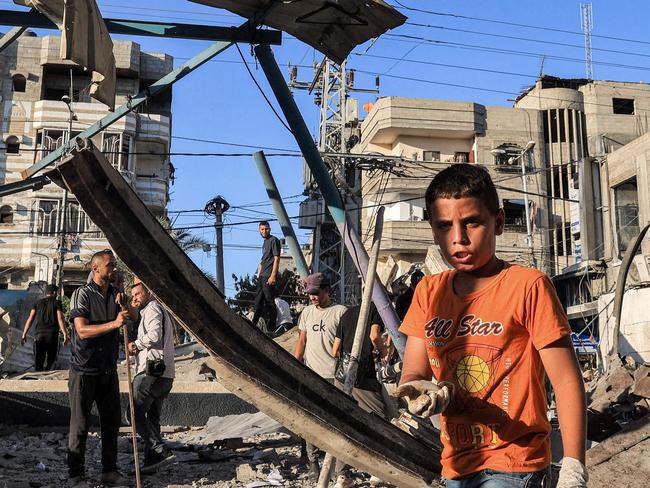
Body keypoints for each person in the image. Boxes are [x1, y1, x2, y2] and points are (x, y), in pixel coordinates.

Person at [396, 164, 587, 488]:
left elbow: (567, 380)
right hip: (455, 465)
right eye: (445, 226)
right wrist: (425, 394)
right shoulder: (428, 292)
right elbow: (413, 373)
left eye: (472, 222)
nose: (459, 239)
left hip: (516, 465)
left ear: (498, 222)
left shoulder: (528, 286)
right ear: (433, 231)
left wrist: (573, 467)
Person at [68, 249, 129, 487]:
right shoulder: (81, 294)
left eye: (114, 264)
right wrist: (113, 323)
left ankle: (109, 471)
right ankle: (75, 475)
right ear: (95, 268)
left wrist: (123, 294)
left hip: (107, 369)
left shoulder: (115, 294)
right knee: (80, 425)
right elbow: (82, 331)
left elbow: (131, 315)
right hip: (84, 369)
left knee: (111, 422)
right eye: (109, 265)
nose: (113, 268)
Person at [293, 272, 347, 482]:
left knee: (334, 422)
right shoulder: (306, 313)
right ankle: (313, 463)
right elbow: (302, 341)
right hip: (311, 375)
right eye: (310, 294)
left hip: (334, 377)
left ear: (327, 291)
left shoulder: (340, 312)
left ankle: (335, 465)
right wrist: (295, 366)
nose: (313, 297)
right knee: (311, 421)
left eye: (316, 293)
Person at [128, 277, 176, 474]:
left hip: (152, 368)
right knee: (152, 418)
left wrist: (135, 345)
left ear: (149, 292)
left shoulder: (153, 308)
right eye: (133, 296)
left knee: (133, 413)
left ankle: (159, 450)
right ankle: (152, 461)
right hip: (165, 372)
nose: (135, 298)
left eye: (138, 294)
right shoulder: (154, 310)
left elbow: (154, 336)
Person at [332, 303, 388, 418]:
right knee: (379, 416)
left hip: (341, 375)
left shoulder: (347, 313)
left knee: (343, 414)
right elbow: (374, 336)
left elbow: (335, 350)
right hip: (364, 377)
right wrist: (383, 352)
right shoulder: (376, 310)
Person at [21, 284, 68, 371]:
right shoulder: (57, 303)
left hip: (39, 335)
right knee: (51, 360)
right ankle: (48, 378)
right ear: (54, 293)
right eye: (57, 293)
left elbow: (30, 319)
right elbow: (60, 318)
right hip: (52, 335)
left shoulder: (37, 303)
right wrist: (65, 334)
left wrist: (24, 334)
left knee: (39, 360)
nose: (57, 294)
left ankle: (38, 379)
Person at [252, 221, 281, 333]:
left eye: (266, 229)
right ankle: (253, 324)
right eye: (262, 229)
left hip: (269, 275)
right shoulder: (265, 242)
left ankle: (272, 328)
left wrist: (273, 275)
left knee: (270, 302)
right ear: (259, 230)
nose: (264, 231)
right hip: (262, 275)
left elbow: (277, 258)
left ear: (270, 229)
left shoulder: (274, 240)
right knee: (258, 301)